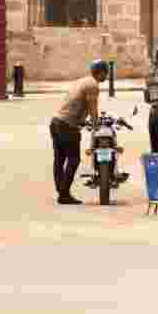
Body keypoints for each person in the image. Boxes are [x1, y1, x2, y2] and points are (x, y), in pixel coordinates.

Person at [50, 60, 108, 205]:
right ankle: (63, 194)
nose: (106, 76)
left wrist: (82, 121)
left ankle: (61, 190)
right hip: (67, 126)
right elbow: (93, 108)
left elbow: (74, 104)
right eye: (106, 73)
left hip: (56, 121)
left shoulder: (82, 81)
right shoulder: (93, 85)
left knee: (59, 159)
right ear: (101, 73)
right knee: (74, 159)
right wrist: (96, 128)